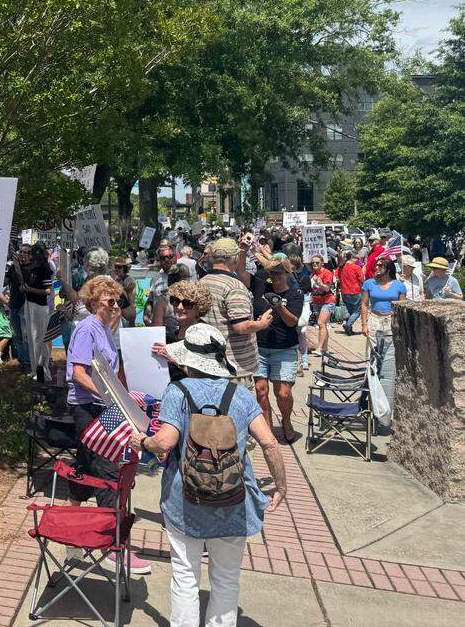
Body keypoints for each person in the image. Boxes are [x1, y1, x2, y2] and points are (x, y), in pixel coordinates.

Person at [129, 324, 287, 627]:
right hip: (233, 500)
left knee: (185, 575)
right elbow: (269, 443)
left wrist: (143, 442)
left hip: (185, 500)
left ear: (187, 361)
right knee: (227, 578)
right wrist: (280, 486)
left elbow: (165, 442)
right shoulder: (241, 395)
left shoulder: (177, 391)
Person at [64, 276, 152, 575]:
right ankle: (112, 544)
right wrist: (110, 397)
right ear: (93, 303)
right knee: (107, 468)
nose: (116, 306)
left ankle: (71, 537)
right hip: (88, 407)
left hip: (100, 405)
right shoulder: (87, 328)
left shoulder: (105, 328)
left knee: (86, 466)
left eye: (118, 301)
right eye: (110, 301)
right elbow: (78, 373)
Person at [197, 238, 272, 388]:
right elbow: (241, 327)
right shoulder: (234, 286)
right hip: (233, 368)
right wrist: (262, 323)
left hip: (208, 363)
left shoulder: (202, 282)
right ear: (235, 258)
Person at [250, 258, 305, 443]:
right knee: (261, 390)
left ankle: (286, 421)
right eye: (272, 273)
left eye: (279, 273)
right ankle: (268, 428)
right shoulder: (261, 287)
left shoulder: (296, 293)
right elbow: (242, 272)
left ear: (287, 273)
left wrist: (279, 306)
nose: (275, 277)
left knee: (283, 393)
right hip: (260, 347)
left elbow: (292, 322)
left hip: (285, 349)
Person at [361, 257, 407, 434]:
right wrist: (364, 324)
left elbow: (402, 308)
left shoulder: (399, 286)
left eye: (381, 266)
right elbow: (364, 304)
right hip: (374, 320)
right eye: (376, 265)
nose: (377, 268)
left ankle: (385, 416)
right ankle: (370, 407)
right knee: (372, 364)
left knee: (387, 370)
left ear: (388, 269)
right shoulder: (369, 284)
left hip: (390, 323)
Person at [21, 243, 53, 381]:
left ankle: (43, 372)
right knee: (32, 338)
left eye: (33, 253)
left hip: (40, 306)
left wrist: (30, 290)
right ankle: (35, 370)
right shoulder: (32, 268)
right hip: (29, 303)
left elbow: (48, 291)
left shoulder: (44, 269)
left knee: (40, 340)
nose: (31, 256)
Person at [308, 255, 336, 357]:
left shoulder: (327, 273)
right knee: (322, 326)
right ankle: (325, 349)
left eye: (317, 262)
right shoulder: (313, 273)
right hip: (317, 301)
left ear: (322, 263)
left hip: (328, 301)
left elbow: (327, 288)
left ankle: (319, 348)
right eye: (313, 263)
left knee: (321, 323)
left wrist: (319, 283)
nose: (314, 264)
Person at [337, 251, 364, 335]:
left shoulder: (341, 267)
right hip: (354, 291)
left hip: (344, 292)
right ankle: (348, 325)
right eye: (357, 258)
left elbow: (338, 277)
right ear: (352, 258)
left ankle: (349, 329)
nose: (358, 260)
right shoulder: (356, 267)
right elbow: (362, 279)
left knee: (350, 311)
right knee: (357, 311)